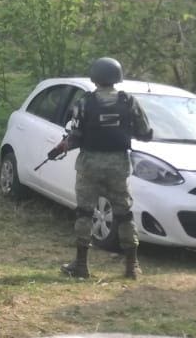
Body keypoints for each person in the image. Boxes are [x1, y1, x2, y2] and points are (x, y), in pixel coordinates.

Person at [51, 57, 153, 279]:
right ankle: (132, 266)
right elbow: (146, 133)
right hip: (118, 165)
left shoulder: (84, 103)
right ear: (117, 77)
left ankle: (81, 265)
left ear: (94, 77)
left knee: (85, 213)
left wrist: (60, 148)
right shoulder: (129, 102)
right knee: (124, 214)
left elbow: (75, 136)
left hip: (89, 165)